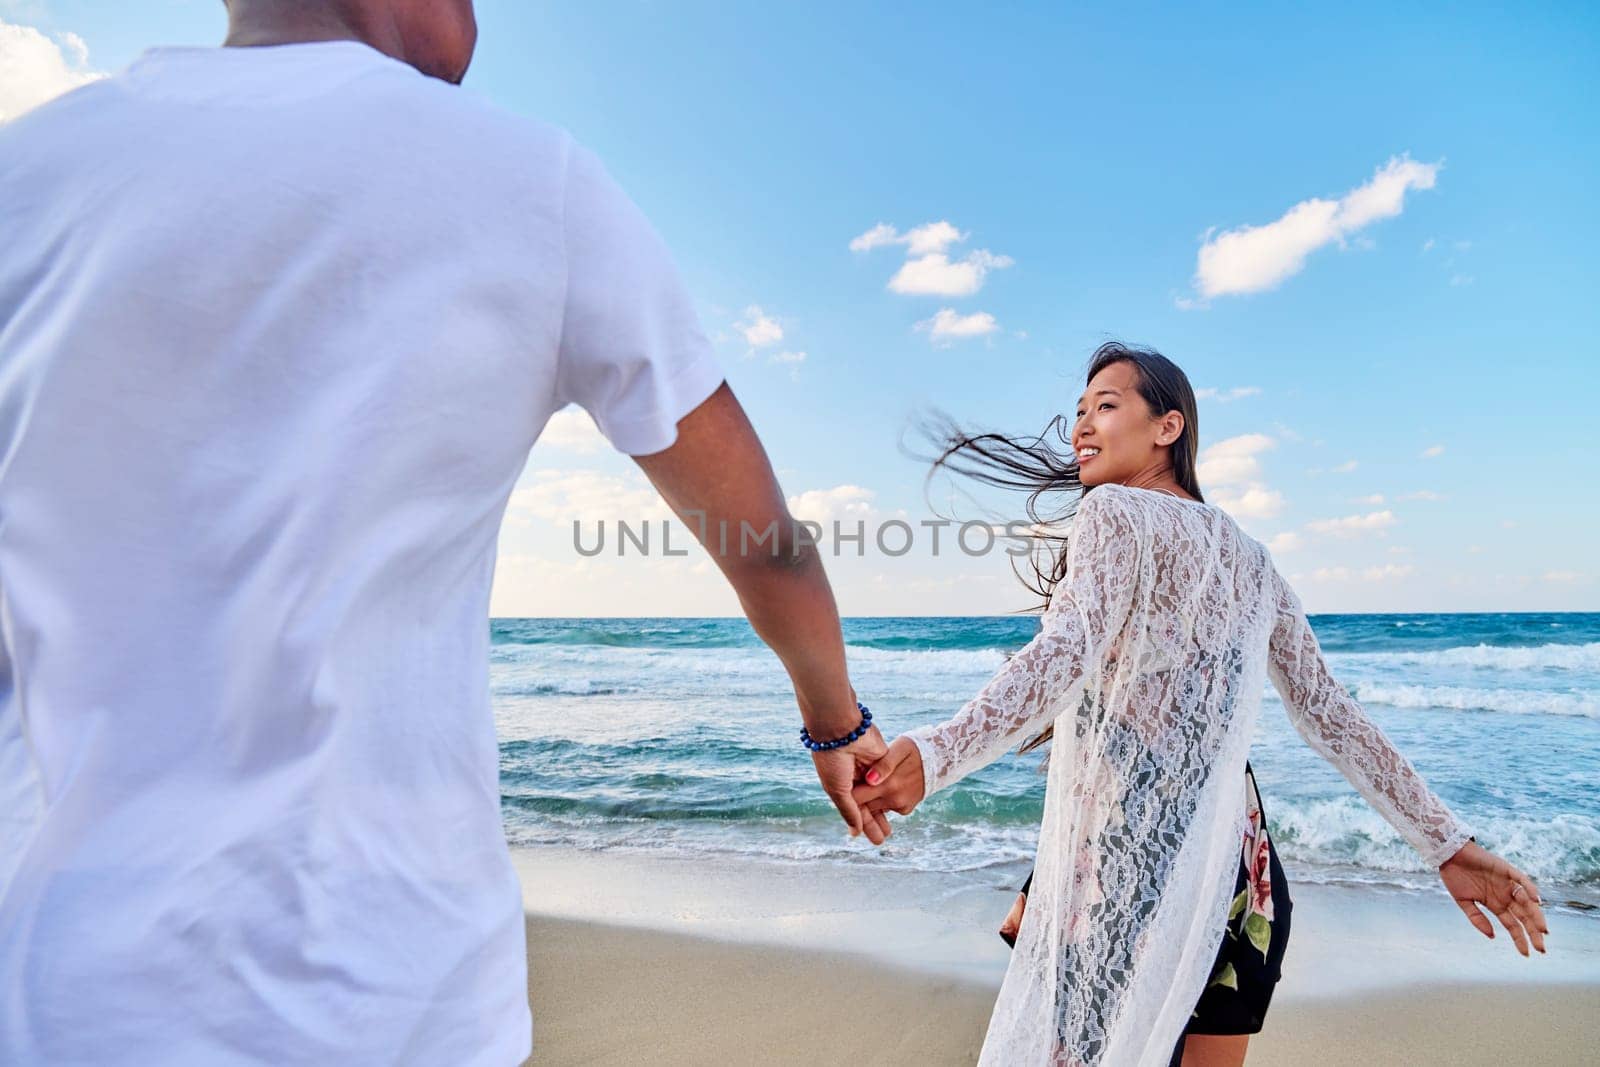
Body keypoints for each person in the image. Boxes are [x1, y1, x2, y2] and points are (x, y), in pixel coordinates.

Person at [0, 2, 884, 1062]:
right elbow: (764, 541)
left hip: (50, 985)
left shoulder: (29, 170)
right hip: (382, 991)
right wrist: (835, 724)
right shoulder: (527, 181)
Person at [853, 342, 1549, 1066]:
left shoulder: (1114, 515)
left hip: (1129, 867)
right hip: (1239, 874)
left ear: (1169, 427)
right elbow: (1332, 716)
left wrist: (934, 756)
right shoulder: (1254, 560)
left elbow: (1062, 656)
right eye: (1079, 412)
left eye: (1107, 406)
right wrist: (1448, 845)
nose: (1081, 427)